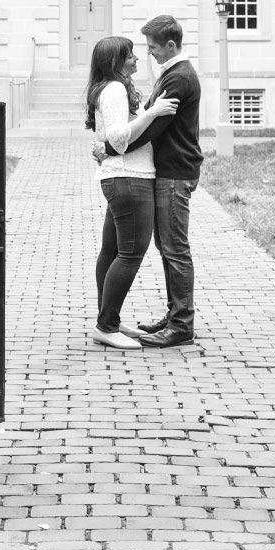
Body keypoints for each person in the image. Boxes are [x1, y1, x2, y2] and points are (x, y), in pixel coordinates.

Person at [105, 14, 202, 348]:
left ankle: (182, 325)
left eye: (153, 47)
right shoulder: (171, 74)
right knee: (168, 247)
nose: (149, 53)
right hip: (168, 171)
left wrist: (109, 149)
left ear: (170, 45)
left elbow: (153, 128)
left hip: (175, 172)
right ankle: (175, 314)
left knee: (175, 249)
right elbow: (149, 117)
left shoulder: (180, 78)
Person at [84, 37, 179, 350]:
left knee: (111, 250)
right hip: (129, 178)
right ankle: (106, 326)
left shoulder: (111, 87)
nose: (137, 59)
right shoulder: (114, 89)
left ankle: (109, 318)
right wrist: (153, 113)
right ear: (115, 62)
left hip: (121, 177)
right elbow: (117, 137)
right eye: (130, 56)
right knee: (130, 253)